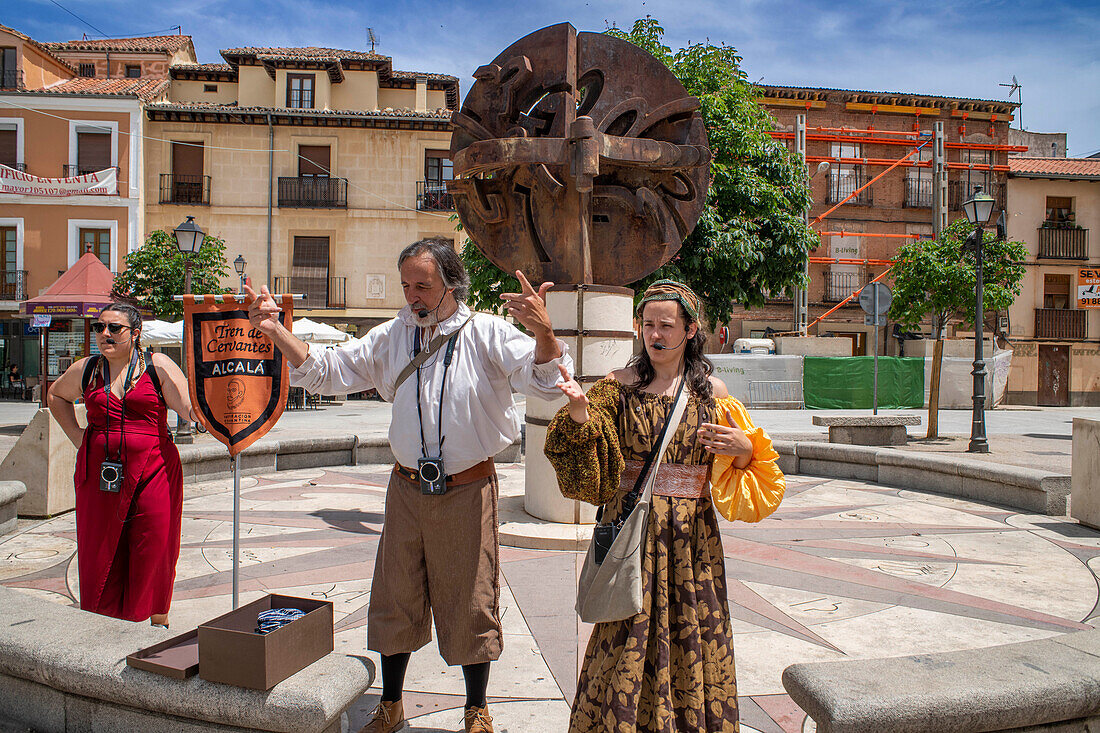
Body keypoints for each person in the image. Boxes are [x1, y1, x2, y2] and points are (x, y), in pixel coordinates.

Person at [245, 236, 572, 733]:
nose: (413, 296)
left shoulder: (486, 333)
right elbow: (326, 371)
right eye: (406, 286)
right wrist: (274, 331)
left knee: (471, 598)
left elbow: (546, 381)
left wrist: (544, 332)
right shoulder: (391, 335)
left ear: (452, 285)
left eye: (423, 285)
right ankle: (391, 704)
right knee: (394, 595)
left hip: (467, 489)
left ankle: (475, 708)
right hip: (406, 488)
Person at [545, 280, 786, 732]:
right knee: (626, 630)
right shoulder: (618, 386)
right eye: (647, 324)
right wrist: (579, 411)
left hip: (692, 538)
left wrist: (743, 449)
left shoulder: (714, 394)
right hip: (634, 530)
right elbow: (582, 448)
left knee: (692, 628)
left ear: (690, 330)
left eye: (666, 325)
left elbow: (759, 479)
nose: (655, 334)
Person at [47, 302, 196, 626]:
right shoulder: (88, 368)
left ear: (136, 333)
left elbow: (188, 408)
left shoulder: (157, 365)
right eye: (99, 328)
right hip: (100, 475)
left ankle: (156, 620)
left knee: (153, 544)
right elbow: (56, 396)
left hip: (153, 469)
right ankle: (105, 621)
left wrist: (215, 413)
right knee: (99, 547)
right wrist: (78, 436)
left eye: (114, 328)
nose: (104, 334)